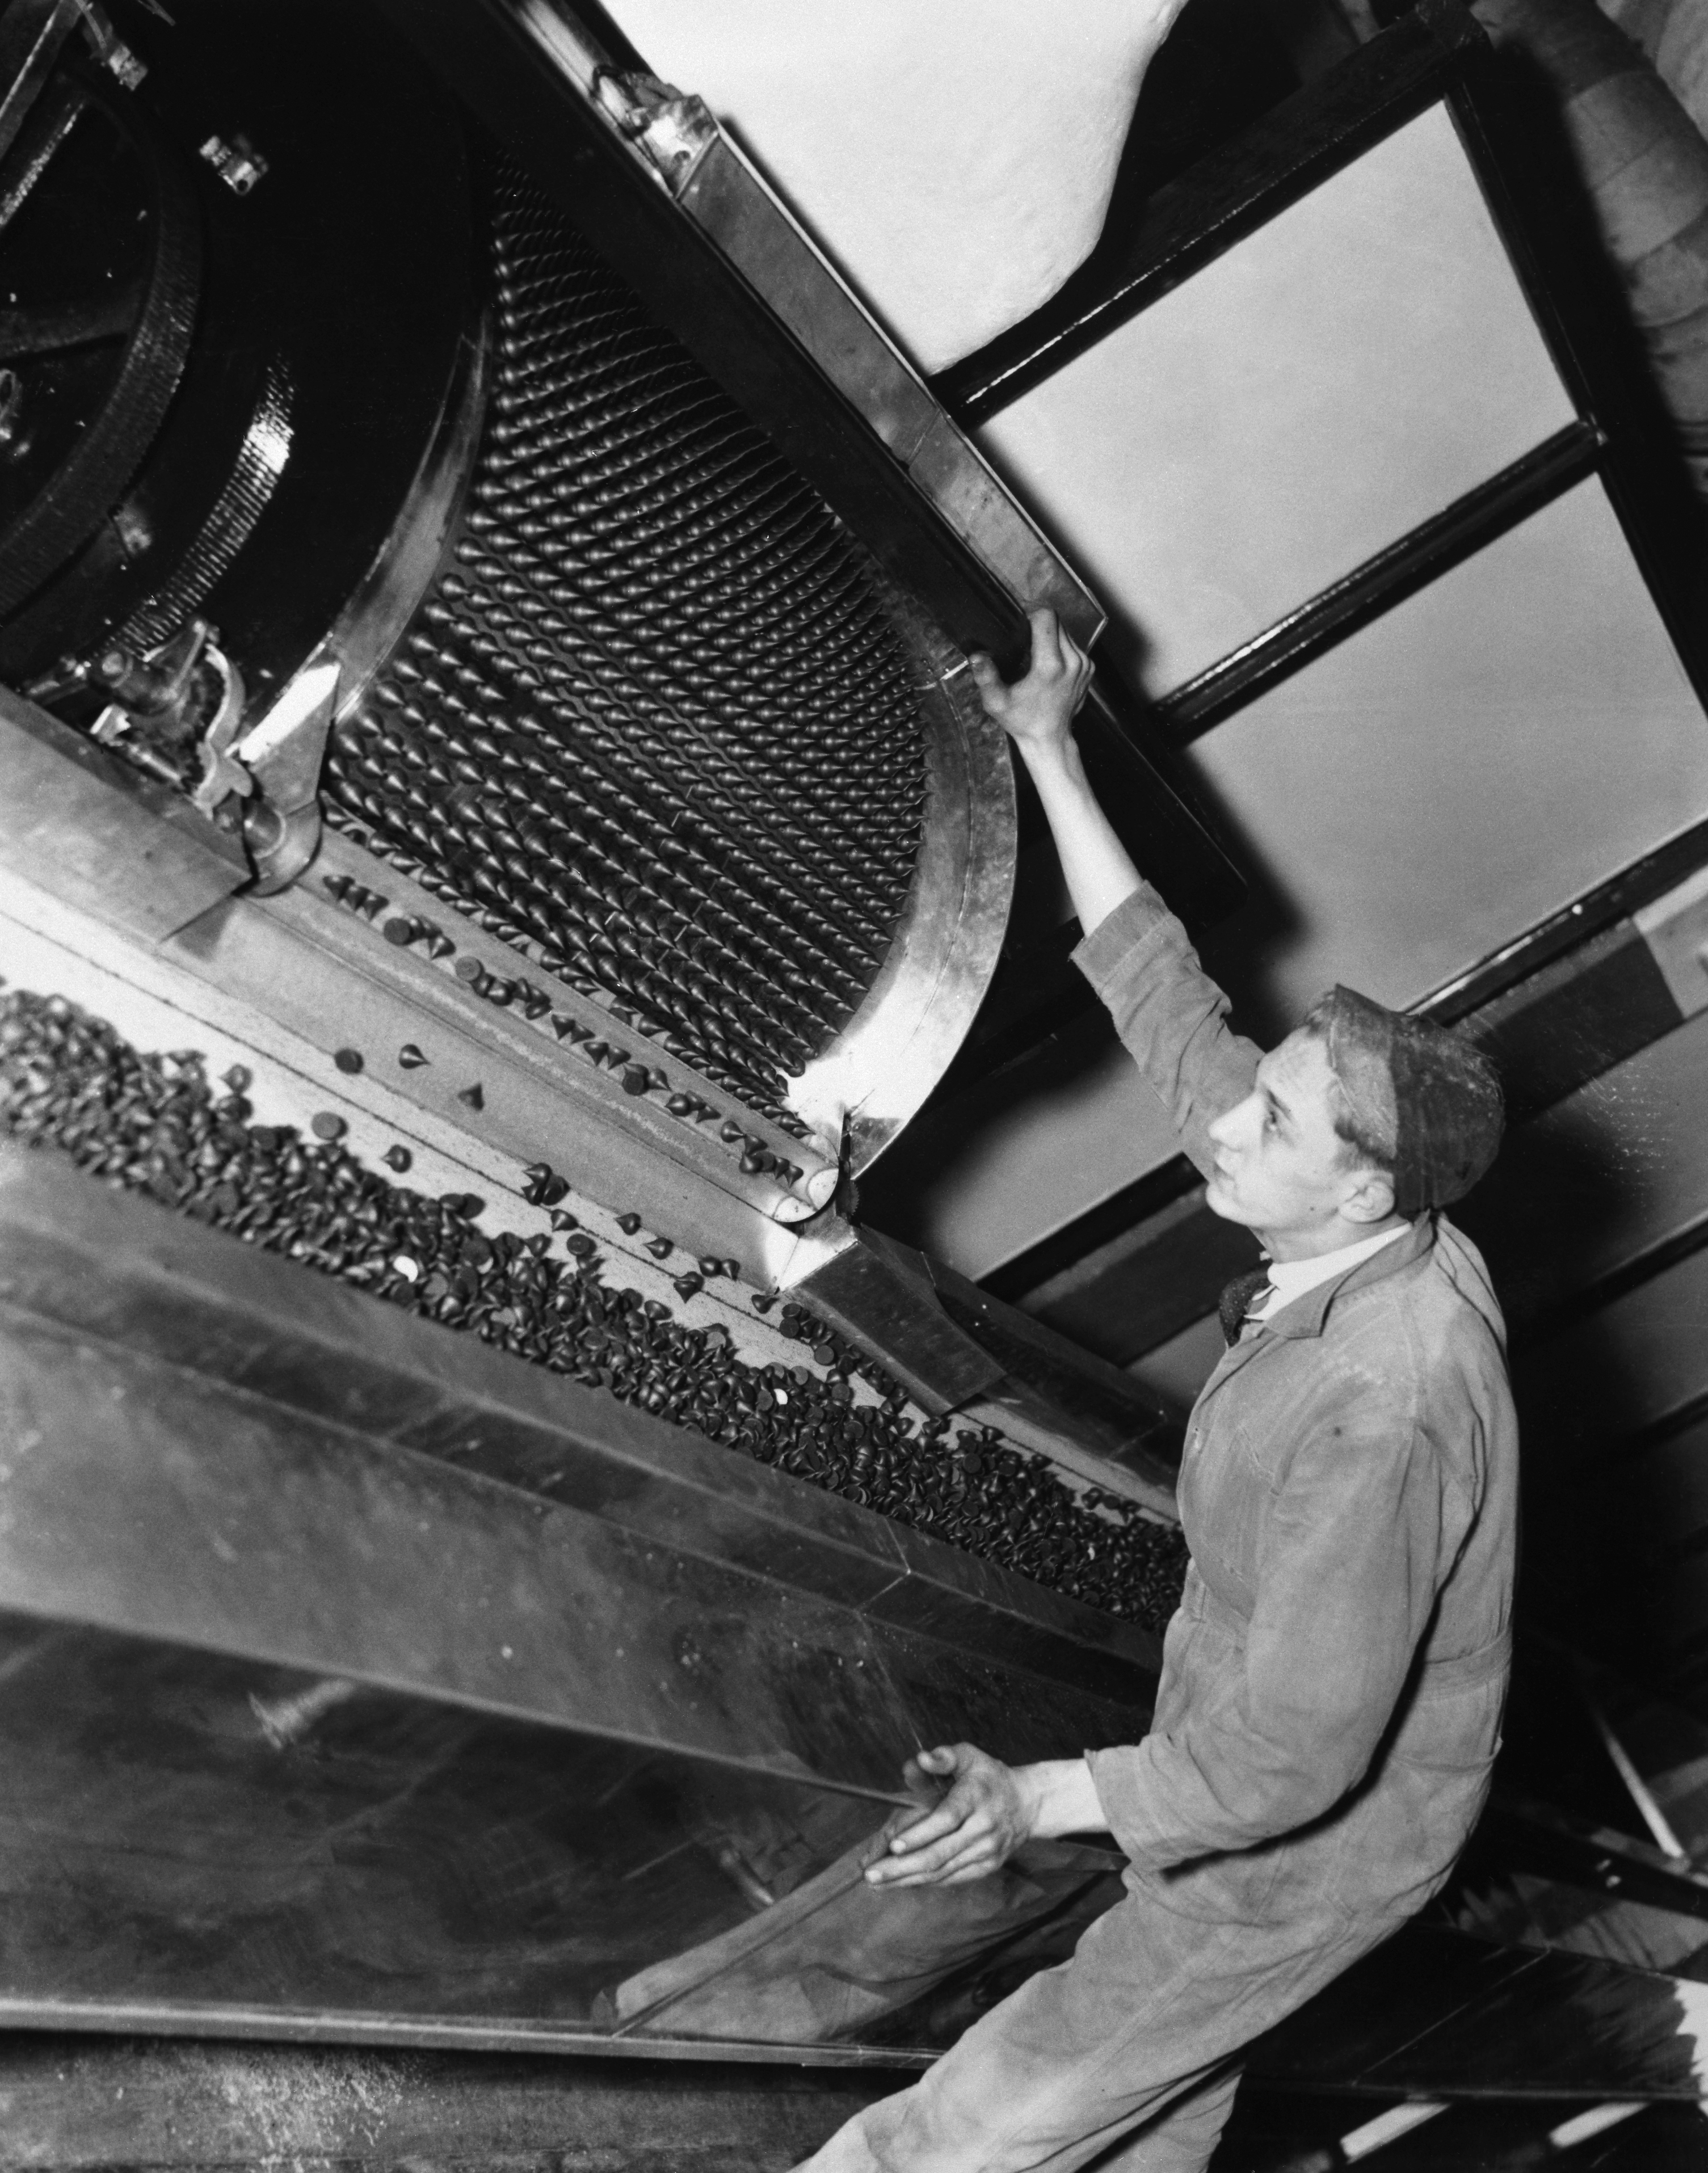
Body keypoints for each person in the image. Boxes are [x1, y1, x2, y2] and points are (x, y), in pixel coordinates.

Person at [794, 610, 1518, 2173]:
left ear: (1356, 1201)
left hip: (1305, 1848)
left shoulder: (1384, 1408)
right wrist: (1050, 745)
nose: (1224, 1127)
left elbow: (1289, 1763)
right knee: (1149, 2118)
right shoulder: (1328, 1188)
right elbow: (1162, 995)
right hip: (1265, 1757)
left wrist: (1037, 1799)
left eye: (1267, 1128)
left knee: (965, 2128)